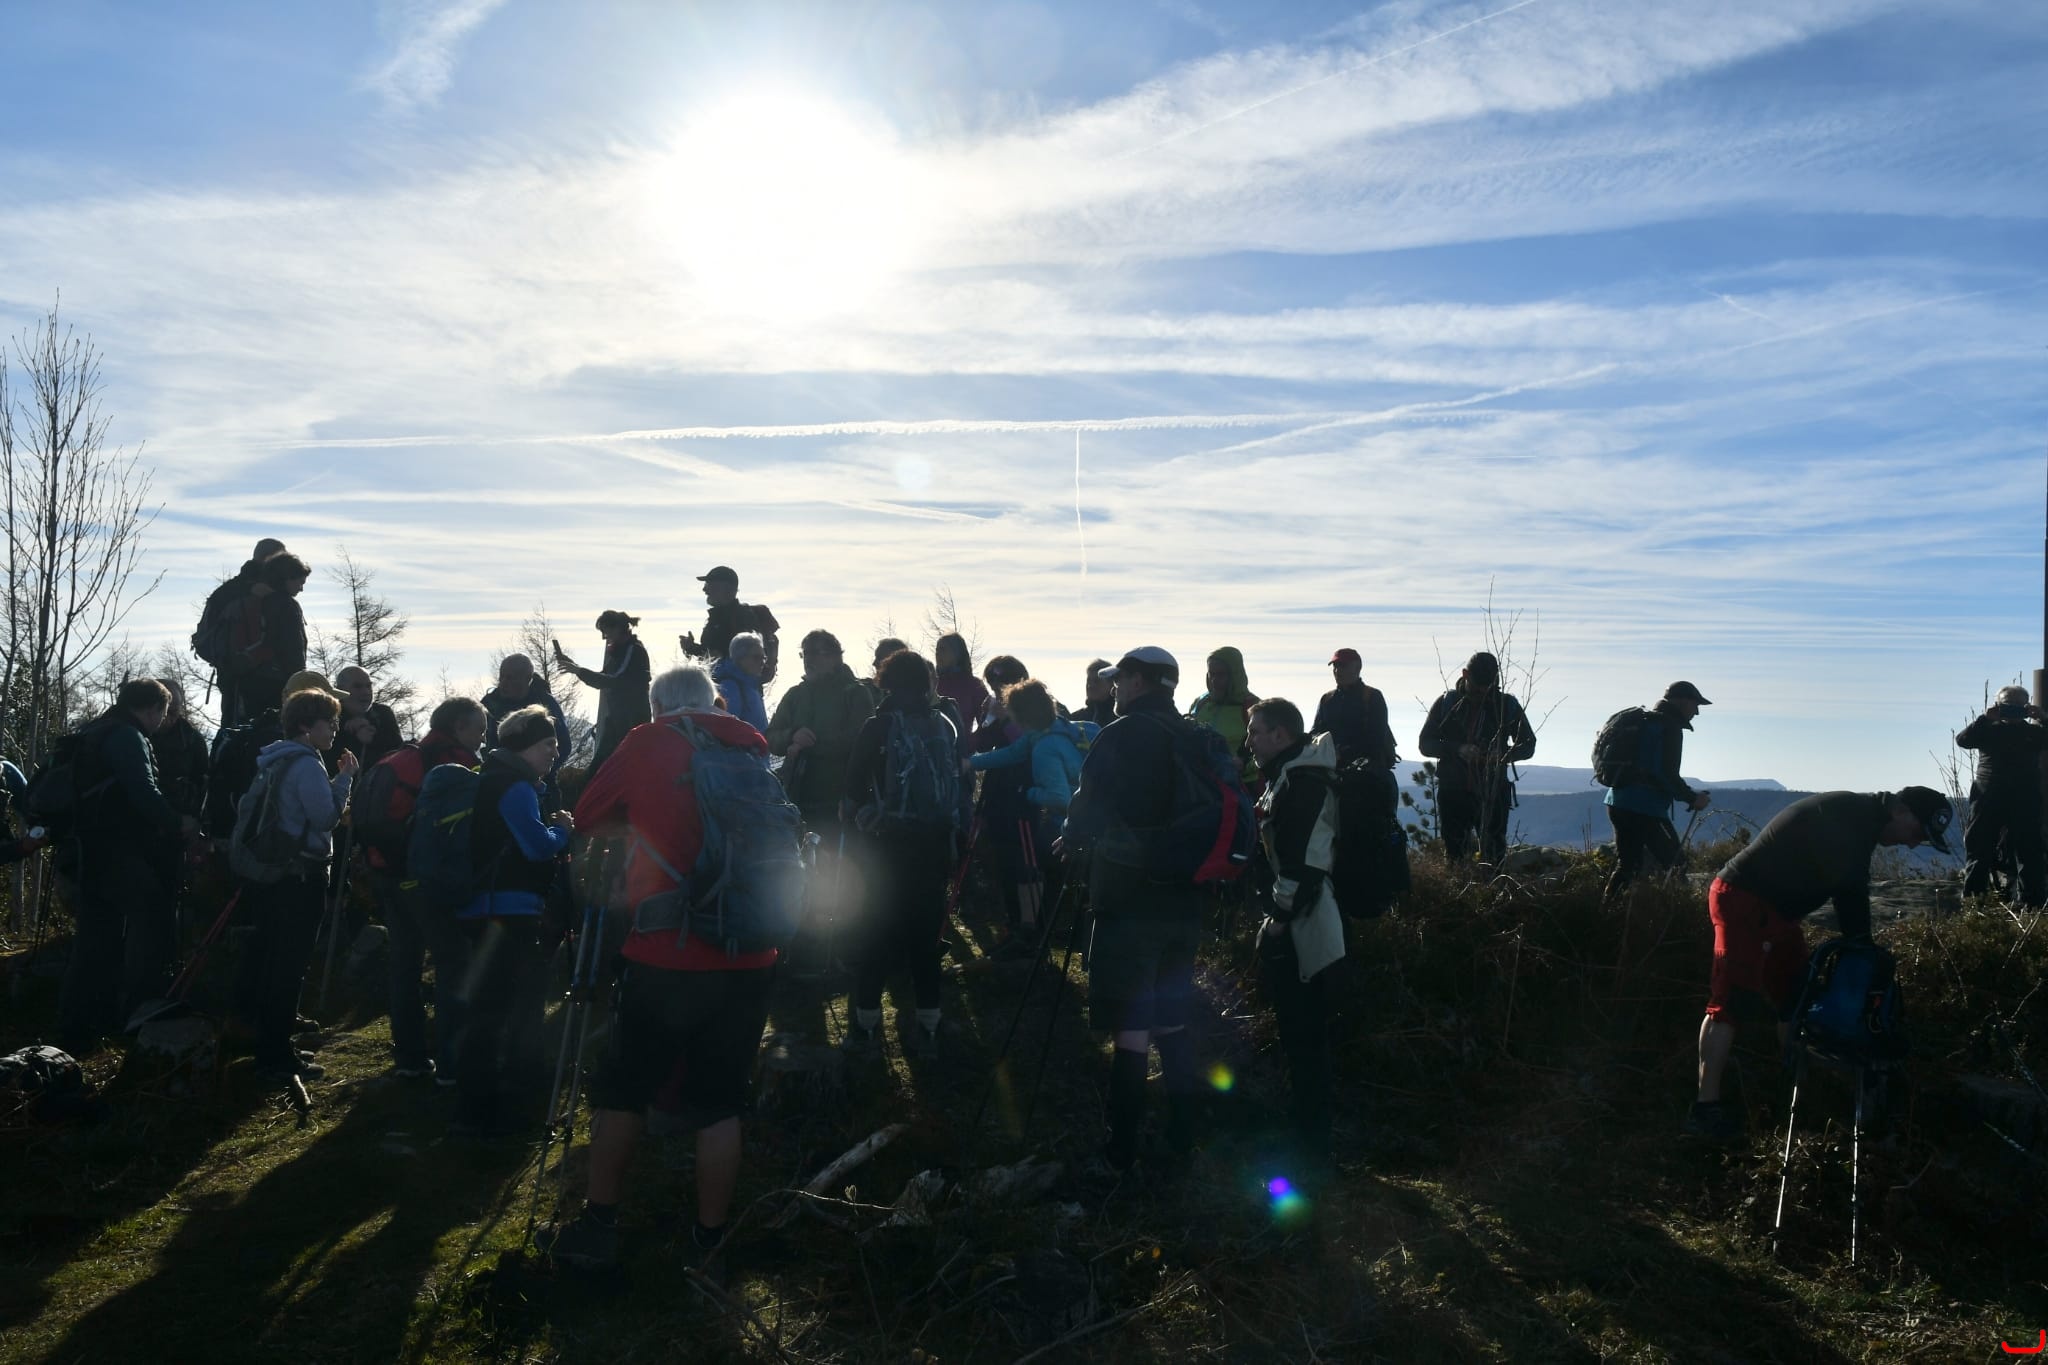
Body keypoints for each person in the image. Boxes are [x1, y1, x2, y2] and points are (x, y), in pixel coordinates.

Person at [544, 666, 781, 1270]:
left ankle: (599, 1224)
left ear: (657, 707)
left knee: (623, 1089)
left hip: (666, 951)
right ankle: (709, 1237)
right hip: (751, 949)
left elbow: (589, 813)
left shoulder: (647, 742)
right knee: (721, 1102)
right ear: (713, 703)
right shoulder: (749, 746)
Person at [1685, 786, 1953, 1141]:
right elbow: (1849, 890)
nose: (1914, 844)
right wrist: (1863, 946)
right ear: (1901, 811)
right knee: (1730, 1003)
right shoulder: (1854, 818)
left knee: (1796, 998)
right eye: (1918, 833)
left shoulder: (1862, 818)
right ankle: (1705, 1109)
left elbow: (1847, 887)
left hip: (1778, 914)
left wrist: (1862, 946)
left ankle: (1786, 1084)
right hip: (1744, 902)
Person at [1062, 646, 1207, 1176]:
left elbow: (1087, 808)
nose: (1115, 687)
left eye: (1120, 679)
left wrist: (1071, 838)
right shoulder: (1193, 736)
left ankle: (1120, 1152)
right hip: (1186, 901)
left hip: (1128, 901)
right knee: (1170, 1022)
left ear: (1141, 681)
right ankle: (1182, 1137)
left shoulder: (1121, 734)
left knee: (1130, 1027)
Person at [57, 680, 200, 1051]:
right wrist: (178, 823)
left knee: (95, 937)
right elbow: (143, 792)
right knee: (152, 916)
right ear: (153, 708)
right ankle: (141, 1007)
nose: (161, 722)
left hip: (87, 849)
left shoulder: (95, 730)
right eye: (162, 714)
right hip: (118, 848)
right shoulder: (127, 736)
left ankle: (78, 1027)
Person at [455, 704, 574, 1136]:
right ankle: (488, 1106)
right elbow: (536, 847)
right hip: (507, 910)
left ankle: (481, 1099)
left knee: (489, 1005)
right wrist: (564, 830)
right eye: (547, 745)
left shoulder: (489, 778)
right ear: (524, 746)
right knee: (504, 1006)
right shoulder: (516, 787)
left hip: (482, 905)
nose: (554, 753)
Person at [839, 649, 962, 1056]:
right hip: (933, 846)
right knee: (925, 938)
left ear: (886, 682)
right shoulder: (944, 725)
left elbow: (852, 787)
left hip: (884, 847)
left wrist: (857, 817)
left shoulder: (877, 726)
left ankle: (866, 1027)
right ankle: (929, 1024)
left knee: (874, 935)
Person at [233, 687, 358, 1080]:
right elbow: (325, 818)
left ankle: (267, 1042)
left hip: (274, 874)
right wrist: (345, 779)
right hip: (301, 876)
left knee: (274, 959)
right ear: (306, 725)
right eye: (329, 722)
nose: (335, 729)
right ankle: (276, 1055)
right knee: (290, 965)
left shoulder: (275, 759)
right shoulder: (305, 764)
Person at [1245, 698, 1347, 1173]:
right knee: (1301, 1034)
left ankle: (1312, 1147)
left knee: (1305, 1034)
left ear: (1281, 735)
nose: (1249, 740)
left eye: (1256, 731)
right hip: (1305, 920)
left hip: (1307, 926)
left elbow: (1303, 865)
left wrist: (1278, 921)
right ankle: (1307, 1135)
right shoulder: (1291, 775)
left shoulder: (1302, 783)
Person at [369, 697, 487, 1081]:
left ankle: (410, 1058)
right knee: (453, 964)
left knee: (404, 965)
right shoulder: (455, 764)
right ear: (458, 727)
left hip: (387, 873)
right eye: (479, 729)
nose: (482, 739)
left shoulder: (402, 757)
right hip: (425, 881)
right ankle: (452, 1065)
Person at [970, 678, 1094, 952]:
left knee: (1038, 876)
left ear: (1022, 714)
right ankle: (1038, 937)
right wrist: (971, 763)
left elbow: (1060, 798)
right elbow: (1012, 753)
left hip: (1061, 829)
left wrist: (1030, 793)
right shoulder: (1059, 729)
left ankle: (1033, 940)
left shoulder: (1045, 748)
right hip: (1084, 824)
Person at [1417, 651, 1537, 865]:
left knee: (1494, 855)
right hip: (1454, 792)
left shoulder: (1506, 705)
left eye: (1487, 685)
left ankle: (1488, 885)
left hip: (1493, 791)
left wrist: (1502, 755)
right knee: (1455, 855)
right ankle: (1463, 885)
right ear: (1465, 674)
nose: (1482, 690)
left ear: (1495, 679)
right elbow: (1425, 744)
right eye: (1477, 685)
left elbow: (1528, 745)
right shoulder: (1447, 703)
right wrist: (1458, 749)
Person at [1602, 682, 1713, 902]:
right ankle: (1677, 914)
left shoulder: (1645, 721)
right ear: (1683, 701)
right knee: (1676, 865)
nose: (1697, 712)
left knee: (1628, 865)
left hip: (1617, 802)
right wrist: (1693, 798)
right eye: (1695, 704)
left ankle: (1606, 911)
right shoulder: (1669, 727)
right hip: (1645, 808)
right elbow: (1665, 774)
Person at [764, 629, 875, 830]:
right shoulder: (795, 695)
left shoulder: (855, 694)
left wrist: (809, 745)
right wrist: (791, 736)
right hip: (798, 799)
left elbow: (859, 742)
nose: (808, 659)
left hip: (839, 801)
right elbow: (770, 737)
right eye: (805, 653)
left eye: (815, 652)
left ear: (834, 656)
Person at [1955, 685, 2048, 907]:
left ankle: (2033, 905)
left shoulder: (2034, 732)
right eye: (2008, 705)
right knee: (1979, 848)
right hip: (1988, 796)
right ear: (1998, 705)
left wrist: (2043, 718)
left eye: (2018, 705)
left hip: (2024, 798)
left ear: (2027, 706)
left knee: (2029, 851)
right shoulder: (1987, 729)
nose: (2013, 710)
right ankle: (1974, 904)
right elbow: (1963, 740)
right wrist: (1984, 719)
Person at [198, 537, 287, 724]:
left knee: (235, 731)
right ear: (270, 559)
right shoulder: (272, 592)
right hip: (266, 681)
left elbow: (204, 637)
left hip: (233, 680)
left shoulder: (226, 592)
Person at [556, 610, 651, 777]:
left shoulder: (633, 650)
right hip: (617, 719)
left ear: (618, 628)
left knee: (617, 766)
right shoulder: (620, 652)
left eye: (606, 632)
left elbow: (614, 680)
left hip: (631, 720)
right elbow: (604, 679)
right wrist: (575, 667)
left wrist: (579, 671)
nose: (604, 637)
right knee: (601, 766)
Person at [481, 653, 572, 806]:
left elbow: (564, 745)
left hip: (543, 784)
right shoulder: (490, 704)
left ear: (527, 679)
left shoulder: (545, 703)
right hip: (499, 781)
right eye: (502, 676)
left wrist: (541, 772)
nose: (503, 682)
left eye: (510, 678)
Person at [238, 552, 312, 719]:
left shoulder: (254, 600)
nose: (301, 588)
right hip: (278, 683)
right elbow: (293, 648)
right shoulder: (287, 605)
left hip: (249, 678)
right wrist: (300, 684)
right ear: (288, 577)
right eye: (300, 582)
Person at [679, 565, 781, 683]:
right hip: (729, 686)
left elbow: (721, 657)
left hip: (734, 688)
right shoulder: (720, 618)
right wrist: (692, 648)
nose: (705, 589)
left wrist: (694, 649)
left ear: (727, 589)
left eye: (710, 585)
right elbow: (716, 655)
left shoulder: (740, 618)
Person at [1311, 648, 1397, 770]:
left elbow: (1377, 737)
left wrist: (1344, 753)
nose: (1337, 670)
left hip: (1367, 769)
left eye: (1343, 666)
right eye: (1335, 666)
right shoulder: (1327, 699)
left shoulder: (1372, 697)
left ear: (1358, 667)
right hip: (1331, 766)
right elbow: (1316, 732)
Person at [1187, 647, 1260, 786]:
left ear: (1235, 675)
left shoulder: (1252, 707)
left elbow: (1269, 751)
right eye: (1211, 674)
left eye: (1221, 674)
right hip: (1201, 784)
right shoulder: (1200, 703)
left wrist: (1243, 765)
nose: (1214, 680)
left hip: (1243, 786)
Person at [332, 666, 406, 768]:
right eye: (357, 686)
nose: (366, 692)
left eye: (368, 686)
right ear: (340, 690)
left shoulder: (383, 714)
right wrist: (353, 738)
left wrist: (373, 738)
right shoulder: (329, 718)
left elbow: (398, 753)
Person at [934, 633, 991, 751]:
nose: (938, 654)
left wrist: (970, 742)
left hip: (962, 754)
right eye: (937, 650)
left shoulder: (973, 685)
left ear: (957, 654)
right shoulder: (931, 683)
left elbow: (987, 721)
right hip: (932, 752)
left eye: (943, 649)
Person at [713, 631, 771, 735]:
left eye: (764, 658)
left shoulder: (750, 685)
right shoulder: (730, 687)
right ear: (740, 658)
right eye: (756, 657)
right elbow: (726, 729)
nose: (762, 662)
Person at [1076, 659, 1117, 729]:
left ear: (1111, 684)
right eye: (1088, 681)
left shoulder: (1118, 717)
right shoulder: (1077, 718)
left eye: (1096, 681)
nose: (1090, 685)